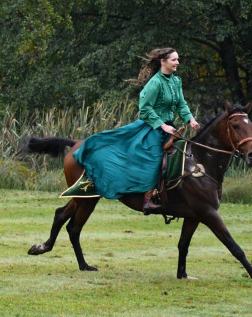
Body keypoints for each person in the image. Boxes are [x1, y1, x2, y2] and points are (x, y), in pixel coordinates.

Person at [73, 47, 200, 213]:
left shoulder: (176, 81)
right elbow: (145, 109)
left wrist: (190, 119)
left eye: (177, 59)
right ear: (163, 61)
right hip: (151, 128)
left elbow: (181, 104)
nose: (177, 62)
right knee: (154, 159)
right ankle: (148, 197)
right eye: (174, 60)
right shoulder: (155, 83)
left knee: (180, 157)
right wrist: (162, 125)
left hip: (171, 128)